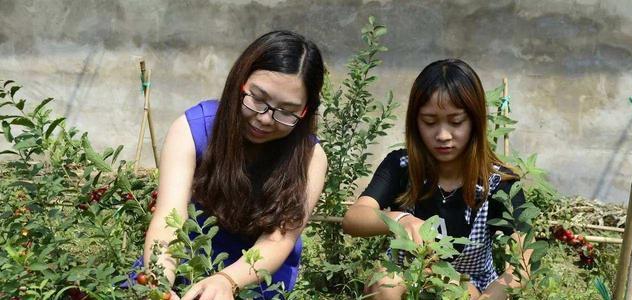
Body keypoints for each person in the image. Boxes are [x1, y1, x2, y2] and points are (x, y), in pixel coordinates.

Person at [144, 30, 327, 300]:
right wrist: (158, 283)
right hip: (188, 259)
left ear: (305, 111)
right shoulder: (192, 129)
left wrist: (227, 281)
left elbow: (279, 238)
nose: (265, 119)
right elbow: (169, 220)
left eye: (287, 111)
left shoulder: (310, 157)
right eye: (258, 99)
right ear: (239, 82)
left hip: (256, 275)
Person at [342, 59, 529, 300]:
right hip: (405, 280)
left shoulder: (499, 184)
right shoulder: (401, 166)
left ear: (475, 121)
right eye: (429, 122)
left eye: (456, 122)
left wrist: (493, 295)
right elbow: (354, 218)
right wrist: (401, 220)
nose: (442, 135)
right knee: (387, 282)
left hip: (467, 287)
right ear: (415, 121)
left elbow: (523, 264)